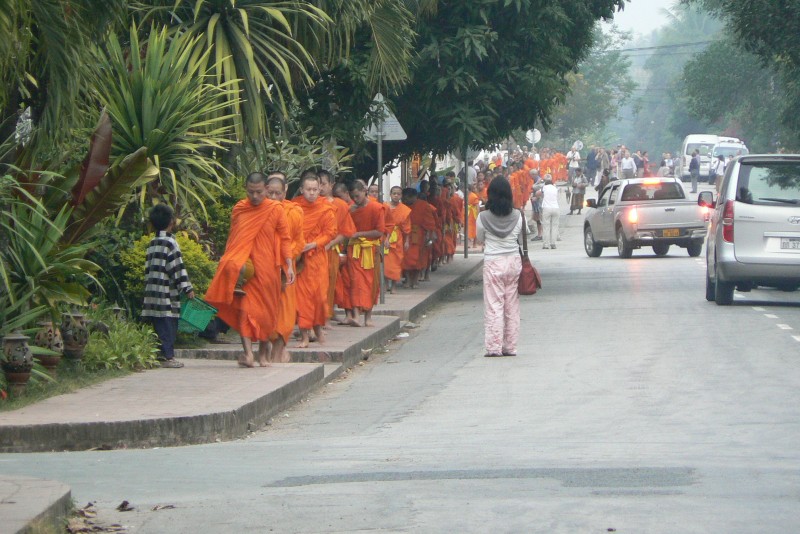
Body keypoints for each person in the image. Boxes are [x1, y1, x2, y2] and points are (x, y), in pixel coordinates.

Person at [205, 172, 294, 368]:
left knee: (266, 314)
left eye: (259, 192)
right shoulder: (240, 208)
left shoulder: (275, 209)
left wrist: (288, 263)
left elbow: (285, 238)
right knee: (245, 310)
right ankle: (247, 354)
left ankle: (263, 354)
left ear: (266, 190)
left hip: (268, 269)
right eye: (251, 192)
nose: (255, 197)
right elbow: (233, 237)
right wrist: (230, 262)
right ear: (246, 189)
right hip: (247, 270)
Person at [141, 204, 195, 368]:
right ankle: (167, 357)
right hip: (166, 292)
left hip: (152, 291)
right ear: (171, 221)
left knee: (158, 323)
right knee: (168, 323)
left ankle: (159, 354)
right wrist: (187, 288)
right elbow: (177, 268)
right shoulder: (170, 243)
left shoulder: (153, 242)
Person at [475, 177, 523, 357]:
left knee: (494, 305)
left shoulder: (482, 217)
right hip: (513, 262)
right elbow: (520, 239)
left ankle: (494, 347)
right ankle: (510, 347)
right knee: (512, 306)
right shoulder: (519, 216)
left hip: (493, 262)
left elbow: (480, 238)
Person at [293, 170, 337, 347]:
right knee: (302, 298)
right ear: (302, 190)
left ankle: (318, 330)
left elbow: (331, 233)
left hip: (318, 259)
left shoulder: (326, 208)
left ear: (320, 189)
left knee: (319, 297)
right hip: (301, 260)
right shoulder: (294, 208)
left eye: (315, 189)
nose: (311, 193)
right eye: (308, 189)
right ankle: (304, 336)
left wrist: (314, 244)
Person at [265, 172, 304, 364]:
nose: (273, 198)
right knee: (266, 311)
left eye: (277, 193)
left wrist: (286, 260)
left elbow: (298, 241)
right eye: (270, 193)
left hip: (286, 269)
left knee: (286, 313)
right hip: (265, 268)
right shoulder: (259, 212)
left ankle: (279, 351)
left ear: (284, 192)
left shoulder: (294, 212)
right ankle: (271, 350)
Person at [346, 180, 386, 327]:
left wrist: (359, 234)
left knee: (371, 283)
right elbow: (345, 229)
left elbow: (379, 231)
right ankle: (356, 315)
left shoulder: (377, 208)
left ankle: (368, 317)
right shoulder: (350, 209)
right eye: (353, 197)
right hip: (355, 250)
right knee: (355, 282)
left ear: (364, 191)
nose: (356, 200)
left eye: (357, 196)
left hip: (371, 250)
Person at [319, 170, 356, 323]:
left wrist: (330, 244)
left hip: (330, 251)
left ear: (331, 185)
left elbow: (347, 231)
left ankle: (325, 317)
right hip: (311, 251)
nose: (320, 188)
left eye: (323, 184)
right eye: (317, 184)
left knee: (329, 283)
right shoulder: (307, 204)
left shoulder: (340, 205)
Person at [401, 187, 437, 289]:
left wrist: (430, 235)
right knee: (405, 259)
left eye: (406, 198)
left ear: (413, 197)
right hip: (404, 234)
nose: (405, 200)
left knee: (417, 259)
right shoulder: (402, 206)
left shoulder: (423, 205)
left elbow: (429, 221)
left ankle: (415, 280)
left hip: (419, 235)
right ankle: (408, 279)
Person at [384, 185, 411, 293]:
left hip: (397, 237)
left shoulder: (404, 210)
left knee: (396, 262)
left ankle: (394, 285)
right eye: (394, 193)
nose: (396, 195)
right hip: (385, 236)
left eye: (398, 194)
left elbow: (407, 227)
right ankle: (386, 284)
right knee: (385, 262)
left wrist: (407, 241)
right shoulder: (384, 206)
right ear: (390, 194)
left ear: (401, 196)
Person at [540, 174, 560, 250]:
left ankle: (545, 244)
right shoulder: (555, 188)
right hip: (556, 208)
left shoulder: (544, 187)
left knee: (546, 226)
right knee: (555, 226)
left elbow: (539, 193)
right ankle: (553, 243)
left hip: (546, 208)